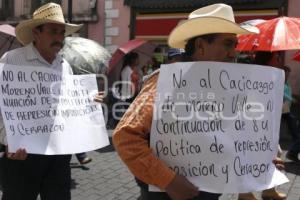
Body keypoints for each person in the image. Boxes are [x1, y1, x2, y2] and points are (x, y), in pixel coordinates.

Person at [113, 3, 281, 200]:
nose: (233, 53)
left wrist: (258, 160)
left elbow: (230, 138)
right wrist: (168, 180)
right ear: (201, 46)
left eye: (234, 45)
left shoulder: (227, 87)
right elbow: (125, 137)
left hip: (210, 190)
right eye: (227, 44)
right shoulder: (166, 82)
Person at [0, 3, 82, 200]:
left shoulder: (64, 66)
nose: (59, 38)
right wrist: (8, 141)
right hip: (22, 154)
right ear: (36, 33)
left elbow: (68, 105)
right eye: (53, 32)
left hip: (58, 154)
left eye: (62, 33)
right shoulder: (11, 60)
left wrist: (86, 103)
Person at [238, 51, 287, 200]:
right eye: (276, 57)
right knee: (249, 156)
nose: (278, 60)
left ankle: (268, 189)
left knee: (274, 153)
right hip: (253, 123)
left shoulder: (270, 74)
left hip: (265, 123)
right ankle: (245, 193)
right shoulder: (256, 74)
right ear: (270, 58)